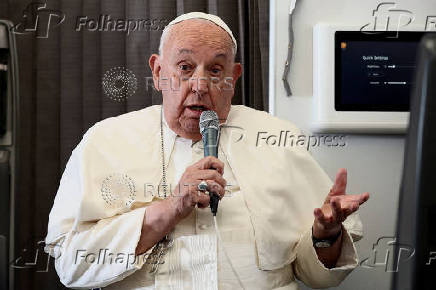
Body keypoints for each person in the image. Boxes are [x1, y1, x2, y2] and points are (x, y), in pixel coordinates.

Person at [44, 12, 370, 290]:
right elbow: (71, 265)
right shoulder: (105, 140)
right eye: (185, 67)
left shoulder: (278, 137)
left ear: (233, 77)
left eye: (215, 70)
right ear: (158, 72)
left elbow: (317, 276)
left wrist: (325, 236)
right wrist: (169, 210)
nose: (200, 85)